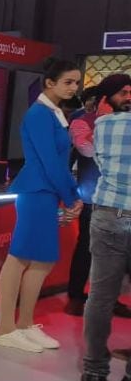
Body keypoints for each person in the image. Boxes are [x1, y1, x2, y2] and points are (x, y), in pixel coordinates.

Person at [0, 60, 83, 352]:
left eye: (76, 82)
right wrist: (70, 198)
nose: (74, 87)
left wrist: (71, 195)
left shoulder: (53, 113)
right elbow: (49, 162)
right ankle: (6, 328)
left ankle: (24, 324)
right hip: (36, 192)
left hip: (47, 192)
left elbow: (60, 164)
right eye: (68, 82)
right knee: (19, 257)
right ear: (50, 83)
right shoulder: (39, 115)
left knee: (43, 260)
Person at [66, 73, 131, 318]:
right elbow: (87, 149)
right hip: (93, 197)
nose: (128, 98)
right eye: (123, 93)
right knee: (86, 247)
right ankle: (75, 297)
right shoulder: (82, 121)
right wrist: (104, 120)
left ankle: (109, 300)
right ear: (106, 97)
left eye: (130, 93)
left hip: (123, 200)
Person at [83, 82, 131, 381]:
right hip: (111, 216)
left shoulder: (102, 125)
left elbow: (99, 162)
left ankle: (94, 371)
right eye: (125, 91)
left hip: (108, 214)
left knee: (100, 298)